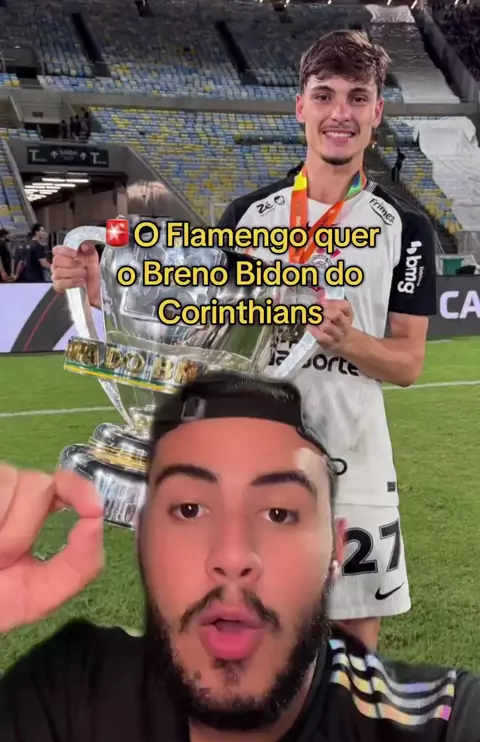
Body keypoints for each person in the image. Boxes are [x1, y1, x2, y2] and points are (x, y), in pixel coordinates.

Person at [50, 30, 438, 650]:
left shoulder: (407, 228)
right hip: (250, 464)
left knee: (353, 648)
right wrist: (100, 292)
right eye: (324, 95)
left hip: (355, 464)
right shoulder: (248, 216)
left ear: (377, 112)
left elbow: (408, 362)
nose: (340, 113)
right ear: (301, 106)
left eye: (358, 97)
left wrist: (345, 340)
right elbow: (198, 330)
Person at [0, 374, 479, 742]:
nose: (233, 555)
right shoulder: (73, 697)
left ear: (336, 550)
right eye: (191, 509)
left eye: (278, 513)